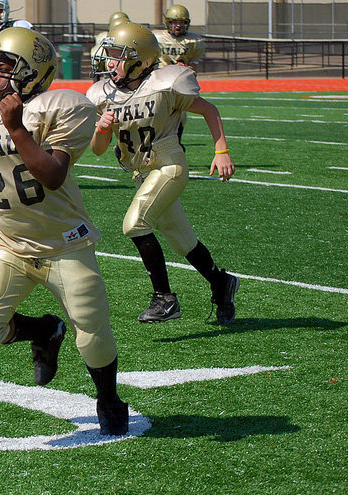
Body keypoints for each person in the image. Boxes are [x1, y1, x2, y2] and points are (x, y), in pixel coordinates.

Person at [0, 27, 128, 436]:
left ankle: (108, 397)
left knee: (92, 333)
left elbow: (53, 175)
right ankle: (43, 329)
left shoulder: (62, 107)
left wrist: (16, 127)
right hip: (8, 242)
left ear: (33, 73)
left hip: (64, 243)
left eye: (4, 68)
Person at [87, 22, 238, 325]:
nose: (110, 62)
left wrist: (221, 150)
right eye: (110, 54)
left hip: (169, 164)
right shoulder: (105, 94)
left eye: (118, 55)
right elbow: (98, 149)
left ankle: (164, 299)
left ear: (139, 59)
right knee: (184, 242)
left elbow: (209, 109)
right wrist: (102, 128)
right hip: (143, 173)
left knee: (134, 225)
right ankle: (221, 283)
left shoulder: (164, 84)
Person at [152, 4, 205, 70]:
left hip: (182, 75)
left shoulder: (194, 40)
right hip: (161, 75)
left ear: (186, 23)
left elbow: (194, 65)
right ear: (169, 23)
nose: (178, 25)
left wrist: (184, 68)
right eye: (175, 22)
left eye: (181, 22)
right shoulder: (157, 37)